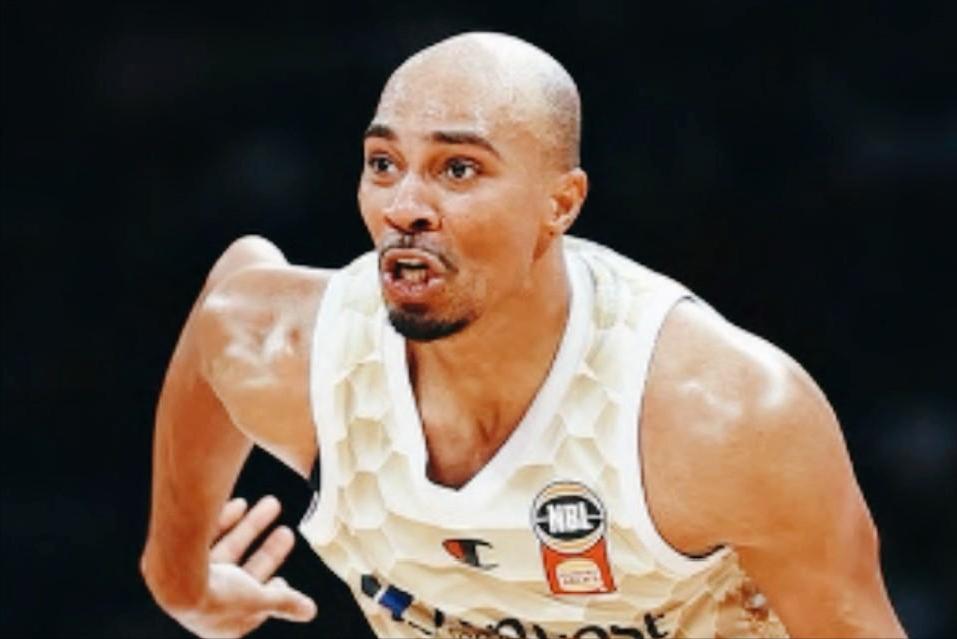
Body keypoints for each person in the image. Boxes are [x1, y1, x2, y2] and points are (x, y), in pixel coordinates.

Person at [140, 32, 906, 639]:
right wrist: (180, 578)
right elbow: (224, 316)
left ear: (560, 204)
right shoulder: (287, 354)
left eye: (458, 169)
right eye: (383, 163)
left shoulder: (724, 416)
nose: (405, 205)